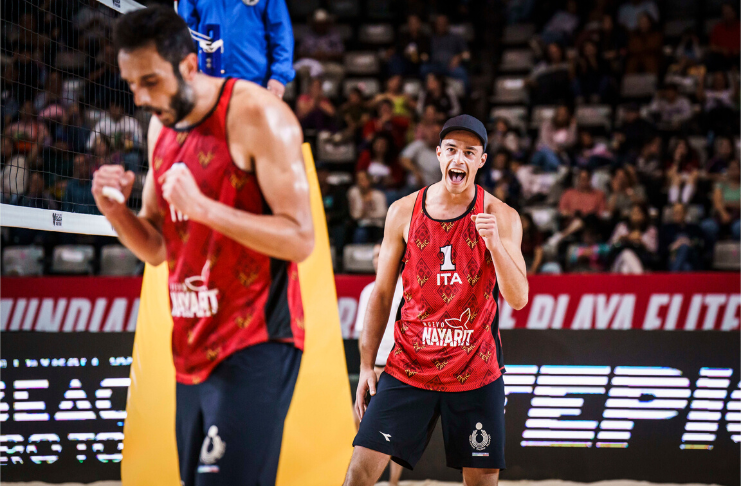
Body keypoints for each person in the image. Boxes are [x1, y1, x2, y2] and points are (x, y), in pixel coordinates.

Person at [94, 8, 314, 485]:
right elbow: (155, 249)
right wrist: (115, 211)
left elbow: (300, 239)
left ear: (190, 66)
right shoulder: (160, 127)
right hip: (191, 345)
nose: (141, 97)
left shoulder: (258, 114)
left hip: (256, 339)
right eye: (132, 84)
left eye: (151, 81)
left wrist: (204, 208)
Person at [344, 115, 528, 485]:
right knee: (358, 474)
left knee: (481, 482)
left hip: (476, 369)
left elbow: (518, 298)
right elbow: (381, 294)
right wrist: (366, 366)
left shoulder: (501, 216)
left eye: (469, 153)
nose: (459, 159)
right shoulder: (403, 211)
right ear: (440, 155)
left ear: (481, 161)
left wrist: (494, 245)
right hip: (409, 365)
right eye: (452, 150)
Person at [353, 243, 405, 486]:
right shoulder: (367, 291)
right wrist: (367, 367)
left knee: (396, 431)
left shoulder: (407, 287)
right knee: (362, 423)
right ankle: (369, 477)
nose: (377, 259)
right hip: (374, 367)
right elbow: (363, 335)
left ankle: (393, 483)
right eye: (374, 255)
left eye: (381, 254)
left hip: (398, 367)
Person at [178, 0, 295, 98]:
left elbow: (281, 32)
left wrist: (279, 76)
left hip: (255, 82)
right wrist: (184, 73)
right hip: (209, 82)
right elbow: (186, 34)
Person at [422, 14, 470, 88]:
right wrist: (424, 57)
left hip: (451, 67)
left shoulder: (456, 37)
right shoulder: (430, 38)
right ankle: (426, 96)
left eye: (443, 23)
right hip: (435, 66)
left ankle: (468, 97)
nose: (441, 25)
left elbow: (467, 54)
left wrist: (459, 57)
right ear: (435, 25)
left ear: (447, 24)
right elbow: (425, 54)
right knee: (423, 69)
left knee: (463, 73)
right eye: (439, 24)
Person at [608, 203, 658, 273]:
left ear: (644, 215)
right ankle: (640, 277)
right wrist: (623, 238)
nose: (635, 215)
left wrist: (641, 241)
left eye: (638, 213)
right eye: (633, 212)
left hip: (642, 261)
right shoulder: (622, 227)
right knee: (626, 253)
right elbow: (610, 246)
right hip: (619, 260)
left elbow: (653, 249)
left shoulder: (650, 230)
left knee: (625, 268)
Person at [701, 159, 741, 243]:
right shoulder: (721, 184)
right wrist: (723, 213)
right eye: (731, 169)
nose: (733, 171)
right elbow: (717, 202)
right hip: (720, 215)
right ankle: (711, 253)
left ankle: (736, 253)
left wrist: (728, 204)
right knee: (707, 226)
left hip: (738, 216)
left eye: (735, 169)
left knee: (738, 228)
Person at [659, 202, 705, 271]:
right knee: (686, 267)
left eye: (679, 212)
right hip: (672, 258)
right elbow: (661, 249)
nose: (676, 215)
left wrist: (688, 243)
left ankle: (673, 276)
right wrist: (674, 246)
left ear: (685, 213)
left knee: (684, 246)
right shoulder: (666, 229)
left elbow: (701, 244)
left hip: (690, 257)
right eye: (674, 212)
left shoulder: (694, 228)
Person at [531, 104, 577, 172]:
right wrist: (556, 149)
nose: (561, 116)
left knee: (548, 164)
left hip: (557, 157)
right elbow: (545, 142)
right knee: (546, 151)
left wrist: (573, 127)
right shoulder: (547, 125)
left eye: (564, 114)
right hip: (540, 154)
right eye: (559, 113)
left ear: (568, 116)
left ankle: (553, 174)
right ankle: (559, 168)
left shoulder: (567, 130)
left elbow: (571, 142)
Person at [348, 172, 388, 244]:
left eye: (363, 179)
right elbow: (354, 215)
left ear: (369, 180)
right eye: (358, 180)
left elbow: (383, 213)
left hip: (377, 224)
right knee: (360, 233)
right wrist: (363, 207)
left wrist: (367, 214)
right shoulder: (354, 193)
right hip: (361, 225)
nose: (360, 182)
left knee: (381, 234)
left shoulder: (378, 195)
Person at [399, 121, 442, 188]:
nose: (433, 136)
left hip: (431, 190)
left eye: (436, 134)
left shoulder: (443, 154)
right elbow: (403, 159)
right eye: (431, 133)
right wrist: (415, 171)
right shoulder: (419, 145)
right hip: (413, 187)